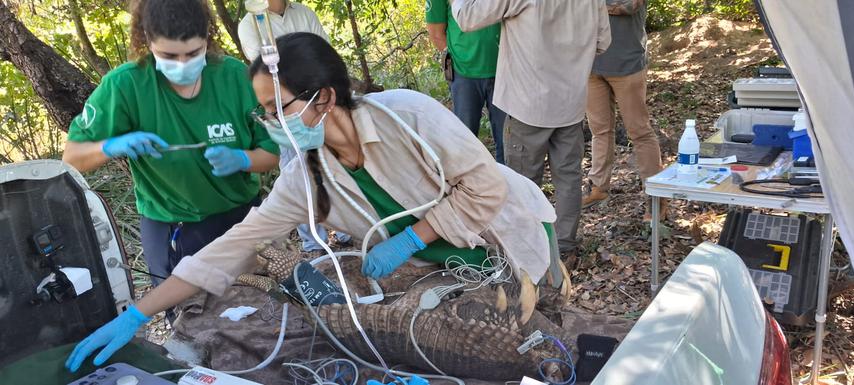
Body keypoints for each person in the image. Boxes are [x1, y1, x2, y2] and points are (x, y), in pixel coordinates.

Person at [65, 33, 568, 372]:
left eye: (275, 109)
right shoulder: (304, 177)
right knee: (482, 347)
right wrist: (136, 314)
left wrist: (414, 237)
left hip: (510, 231)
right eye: (261, 113)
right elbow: (235, 244)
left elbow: (485, 188)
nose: (268, 124)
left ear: (323, 98)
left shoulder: (408, 116)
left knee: (544, 323)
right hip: (450, 268)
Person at [62, 0, 279, 287]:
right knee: (188, 318)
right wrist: (110, 146)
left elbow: (273, 152)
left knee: (259, 307)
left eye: (193, 53)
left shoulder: (234, 77)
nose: (182, 65)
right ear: (147, 41)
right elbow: (71, 159)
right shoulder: (126, 86)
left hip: (241, 219)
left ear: (208, 40)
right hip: (173, 227)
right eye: (169, 55)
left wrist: (244, 159)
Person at [451, 0, 611, 260]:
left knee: (522, 184)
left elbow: (467, 17)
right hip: (570, 102)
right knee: (569, 179)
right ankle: (564, 247)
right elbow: (603, 41)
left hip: (528, 105)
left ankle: (527, 250)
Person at [237, 0, 351, 251]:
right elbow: (268, 72)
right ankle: (314, 243)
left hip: (318, 106)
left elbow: (323, 55)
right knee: (296, 172)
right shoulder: (249, 24)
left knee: (334, 167)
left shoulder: (305, 13)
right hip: (286, 113)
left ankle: (346, 230)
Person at [583, 0, 664, 221]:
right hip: (591, 64)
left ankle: (656, 197)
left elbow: (629, 6)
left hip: (627, 64)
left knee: (640, 132)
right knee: (599, 130)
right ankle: (598, 186)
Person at [426, 0, 506, 163]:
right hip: (464, 74)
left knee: (507, 142)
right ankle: (470, 186)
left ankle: (508, 185)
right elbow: (436, 33)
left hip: (504, 70)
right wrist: (459, 57)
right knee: (465, 141)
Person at [237, 0, 329, 61]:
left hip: (319, 85)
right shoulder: (248, 25)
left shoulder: (305, 12)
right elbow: (264, 71)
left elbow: (327, 53)